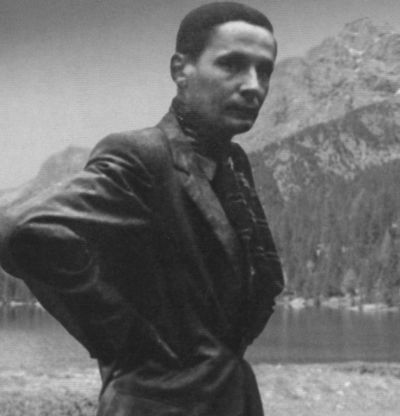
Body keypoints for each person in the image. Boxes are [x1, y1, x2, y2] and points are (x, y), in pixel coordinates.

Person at [0, 2, 284, 415]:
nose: (253, 85)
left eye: (265, 70)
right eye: (232, 65)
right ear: (181, 70)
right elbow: (18, 230)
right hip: (157, 402)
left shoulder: (233, 163)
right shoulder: (142, 156)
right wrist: (126, 338)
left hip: (232, 398)